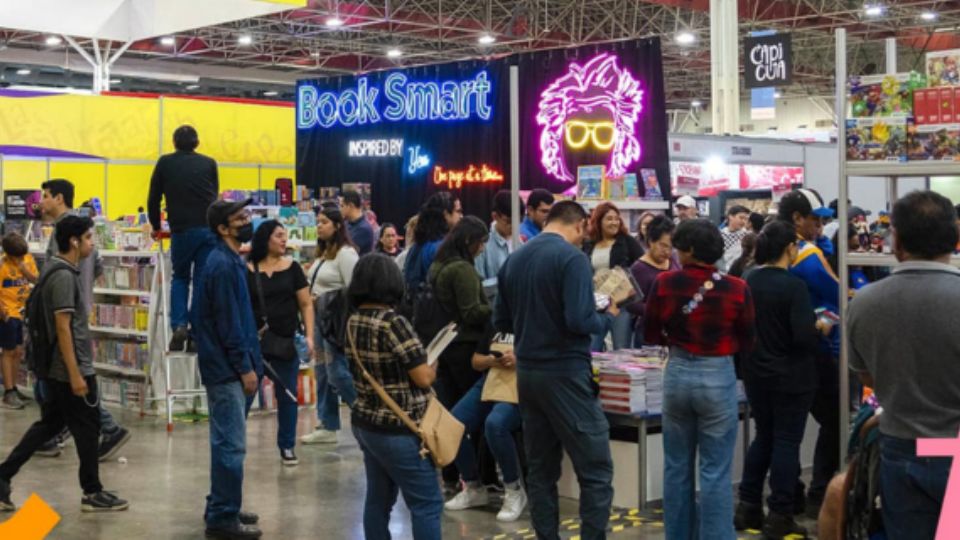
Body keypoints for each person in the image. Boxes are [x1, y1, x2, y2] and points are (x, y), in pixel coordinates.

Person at [495, 201, 616, 539]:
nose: (583, 240)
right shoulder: (572, 259)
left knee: (541, 470)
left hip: (528, 375)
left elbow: (501, 321)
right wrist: (605, 317)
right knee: (595, 469)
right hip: (565, 373)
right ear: (579, 225)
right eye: (585, 233)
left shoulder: (514, 259)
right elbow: (579, 320)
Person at [848, 191, 960, 540]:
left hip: (898, 445)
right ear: (954, 239)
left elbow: (867, 376)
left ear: (896, 241)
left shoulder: (864, 302)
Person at [0, 215, 129, 514]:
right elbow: (62, 327)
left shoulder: (53, 271)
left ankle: (3, 475)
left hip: (58, 368)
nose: (91, 243)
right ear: (74, 241)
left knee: (50, 425)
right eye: (88, 238)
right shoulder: (62, 276)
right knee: (87, 428)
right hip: (68, 368)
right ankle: (92, 492)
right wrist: (76, 374)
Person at [644, 219, 755, 540]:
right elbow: (748, 340)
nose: (675, 251)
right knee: (715, 472)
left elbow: (650, 332)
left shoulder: (664, 283)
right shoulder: (738, 287)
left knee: (676, 466)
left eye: (679, 246)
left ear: (690, 250)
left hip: (677, 374)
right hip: (718, 376)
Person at [345, 254, 442, 540]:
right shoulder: (393, 323)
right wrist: (433, 363)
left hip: (366, 422)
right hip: (401, 427)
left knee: (378, 499)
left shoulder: (353, 320)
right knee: (427, 503)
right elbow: (423, 377)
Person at [736, 221, 823, 539]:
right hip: (791, 376)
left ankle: (747, 505)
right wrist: (819, 328)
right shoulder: (793, 286)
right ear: (789, 249)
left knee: (764, 436)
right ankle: (780, 512)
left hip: (756, 373)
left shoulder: (748, 279)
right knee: (786, 442)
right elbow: (803, 338)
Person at [38, 179, 131, 461]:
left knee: (66, 374)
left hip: (65, 310)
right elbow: (100, 267)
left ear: (59, 198)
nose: (41, 202)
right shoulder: (85, 230)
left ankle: (107, 428)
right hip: (79, 307)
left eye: (45, 196)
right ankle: (56, 429)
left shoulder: (65, 232)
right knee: (64, 376)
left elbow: (54, 272)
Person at [192, 198, 263, 540]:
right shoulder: (220, 265)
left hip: (233, 365)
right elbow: (227, 323)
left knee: (227, 443)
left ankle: (223, 504)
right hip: (227, 370)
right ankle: (222, 518)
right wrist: (244, 366)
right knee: (230, 446)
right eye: (240, 218)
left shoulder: (230, 260)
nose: (247, 221)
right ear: (223, 229)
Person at [777, 188, 839, 517]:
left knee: (781, 430)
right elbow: (837, 290)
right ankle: (819, 493)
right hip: (815, 348)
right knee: (834, 419)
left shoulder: (766, 251)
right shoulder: (807, 255)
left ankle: (788, 499)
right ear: (796, 219)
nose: (819, 226)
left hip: (775, 353)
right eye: (814, 220)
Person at [245, 220, 315, 466]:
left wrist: (309, 335)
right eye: (278, 236)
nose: (284, 240)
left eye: (285, 236)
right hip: (255, 344)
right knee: (245, 392)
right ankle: (236, 443)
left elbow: (306, 304)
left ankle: (287, 445)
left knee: (288, 396)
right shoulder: (248, 269)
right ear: (265, 238)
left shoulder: (293, 268)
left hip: (285, 342)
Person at [147, 125, 219, 351]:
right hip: (207, 229)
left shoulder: (165, 163)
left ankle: (179, 325)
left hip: (181, 230)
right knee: (201, 282)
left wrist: (157, 226)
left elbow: (153, 198)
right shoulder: (209, 163)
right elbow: (214, 196)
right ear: (197, 143)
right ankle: (197, 332)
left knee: (179, 278)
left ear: (174, 142)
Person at [443, 325, 526, 521]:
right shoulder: (497, 321)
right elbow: (476, 361)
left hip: (521, 383)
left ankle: (514, 489)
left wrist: (519, 359)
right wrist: (492, 360)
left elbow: (548, 356)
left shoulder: (535, 317)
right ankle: (473, 486)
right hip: (490, 380)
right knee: (452, 424)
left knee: (495, 424)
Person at [301, 207, 359, 445]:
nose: (319, 226)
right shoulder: (324, 254)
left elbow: (354, 290)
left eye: (324, 222)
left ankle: (364, 409)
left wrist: (325, 299)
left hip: (336, 324)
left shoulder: (346, 254)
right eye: (318, 222)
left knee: (337, 372)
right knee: (323, 373)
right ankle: (327, 423)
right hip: (320, 322)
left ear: (337, 225)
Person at [584, 202, 643, 351]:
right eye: (609, 219)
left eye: (617, 218)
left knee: (621, 349)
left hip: (620, 303)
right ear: (599, 221)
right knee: (592, 348)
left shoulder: (627, 241)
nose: (614, 222)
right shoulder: (589, 244)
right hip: (596, 304)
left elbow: (641, 264)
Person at [627, 216, 678, 346]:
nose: (667, 252)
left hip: (673, 332)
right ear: (650, 241)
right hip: (648, 334)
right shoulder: (638, 268)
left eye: (671, 247)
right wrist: (660, 311)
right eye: (663, 245)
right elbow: (632, 304)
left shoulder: (674, 262)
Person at [0, 233, 38, 409]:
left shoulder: (28, 259)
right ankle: (8, 393)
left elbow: (37, 280)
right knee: (8, 352)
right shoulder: (2, 264)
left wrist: (24, 269)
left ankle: (14, 388)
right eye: (18, 256)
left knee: (17, 352)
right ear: (8, 254)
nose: (22, 258)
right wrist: (3, 312)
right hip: (8, 314)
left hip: (22, 312)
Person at [403, 192, 462, 289]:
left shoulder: (416, 247)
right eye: (458, 211)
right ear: (446, 214)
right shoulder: (442, 249)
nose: (461, 216)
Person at [474, 190, 521, 293]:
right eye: (508, 221)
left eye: (518, 221)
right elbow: (478, 285)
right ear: (495, 216)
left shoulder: (522, 242)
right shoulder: (483, 245)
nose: (514, 226)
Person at [342, 190, 375, 256]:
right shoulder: (346, 223)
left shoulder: (364, 229)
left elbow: (346, 251)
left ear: (350, 206)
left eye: (342, 206)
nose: (340, 209)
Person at [719, 205, 751, 273]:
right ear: (731, 216)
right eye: (741, 218)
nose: (743, 221)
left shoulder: (748, 236)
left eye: (746, 219)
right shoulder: (719, 234)